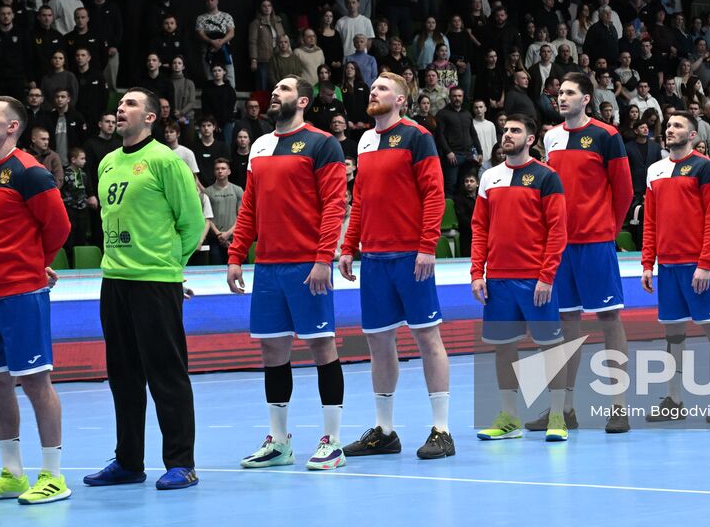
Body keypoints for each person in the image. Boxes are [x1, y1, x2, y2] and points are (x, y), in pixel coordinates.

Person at [83, 88, 205, 491]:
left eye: (131, 104)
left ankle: (181, 462)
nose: (121, 108)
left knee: (166, 374)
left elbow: (191, 223)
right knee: (123, 376)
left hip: (154, 282)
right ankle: (129, 460)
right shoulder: (107, 163)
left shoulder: (165, 161)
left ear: (151, 117)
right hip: (114, 281)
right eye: (119, 104)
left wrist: (169, 267)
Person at [228, 76, 348, 472]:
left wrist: (322, 259)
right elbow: (250, 208)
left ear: (303, 100)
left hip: (306, 264)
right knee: (271, 350)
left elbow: (334, 204)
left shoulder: (322, 143)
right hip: (268, 268)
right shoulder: (260, 146)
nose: (274, 94)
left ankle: (333, 441)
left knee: (321, 346)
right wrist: (235, 255)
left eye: (282, 89)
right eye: (274, 89)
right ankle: (280, 442)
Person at [338, 73, 454, 461]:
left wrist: (427, 246)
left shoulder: (417, 136)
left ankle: (442, 429)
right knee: (378, 342)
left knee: (427, 339)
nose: (374, 92)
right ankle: (385, 431)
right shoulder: (366, 140)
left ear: (402, 100)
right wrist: (349, 246)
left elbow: (434, 194)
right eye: (372, 88)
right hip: (373, 259)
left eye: (383, 88)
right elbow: (362, 200)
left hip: (410, 257)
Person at [0, 96, 72, 504]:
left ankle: (54, 476)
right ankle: (12, 473)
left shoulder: (30, 172)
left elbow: (59, 227)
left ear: (12, 127)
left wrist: (36, 264)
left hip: (22, 294)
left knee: (35, 381)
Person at [534, 72, 633, 434]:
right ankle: (564, 410)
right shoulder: (552, 137)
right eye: (559, 92)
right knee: (565, 327)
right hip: (560, 246)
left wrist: (607, 229)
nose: (562, 97)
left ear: (586, 98)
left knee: (609, 321)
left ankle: (618, 407)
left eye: (570, 92)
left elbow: (623, 191)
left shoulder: (607, 136)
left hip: (595, 243)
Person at [471, 113, 570, 443]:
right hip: (497, 281)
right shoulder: (490, 178)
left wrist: (547, 276)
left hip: (534, 280)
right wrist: (477, 273)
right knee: (503, 349)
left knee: (550, 348)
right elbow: (479, 228)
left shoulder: (547, 177)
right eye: (505, 130)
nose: (507, 135)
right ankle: (509, 417)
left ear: (530, 139)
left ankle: (557, 415)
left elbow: (558, 230)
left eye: (515, 131)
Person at [640, 112, 710, 422]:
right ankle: (674, 400)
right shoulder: (655, 171)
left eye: (677, 126)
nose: (670, 130)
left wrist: (705, 263)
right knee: (673, 333)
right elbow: (650, 221)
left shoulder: (705, 168)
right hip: (667, 267)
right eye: (668, 126)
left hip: (696, 265)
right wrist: (647, 263)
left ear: (693, 135)